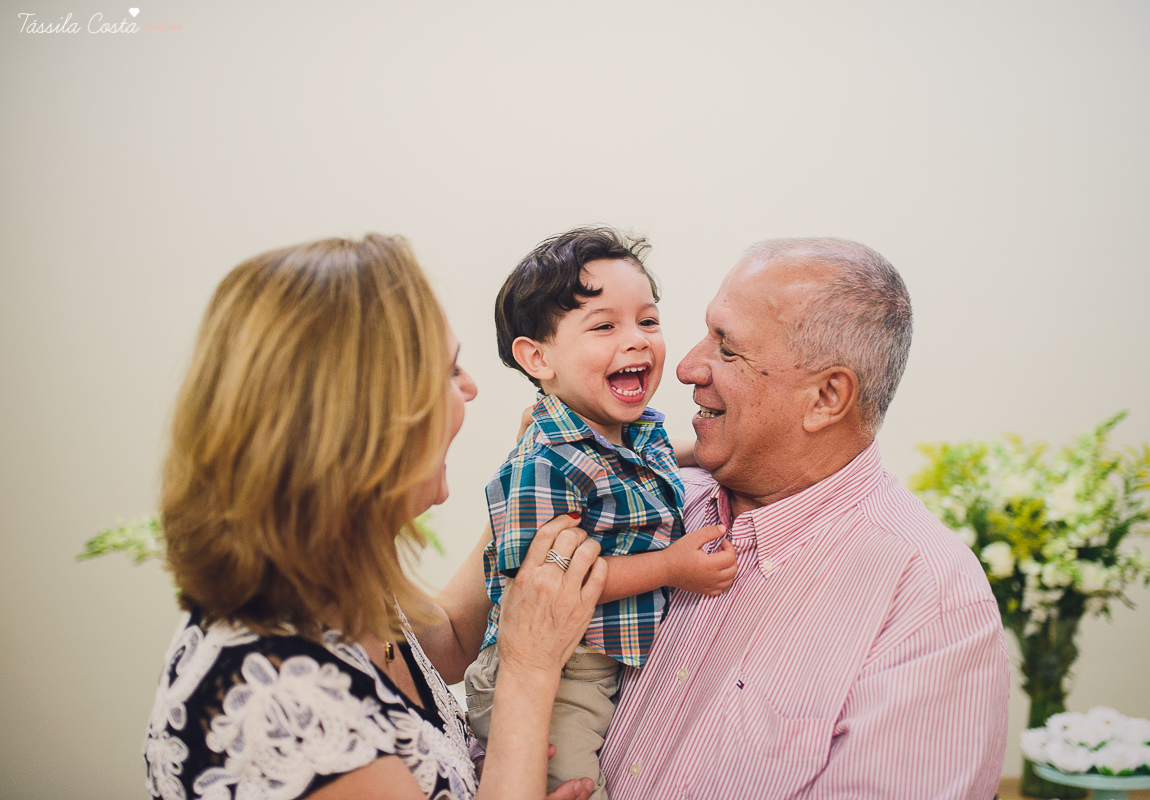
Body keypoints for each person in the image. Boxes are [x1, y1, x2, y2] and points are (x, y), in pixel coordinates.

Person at [143, 234, 607, 800]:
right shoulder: (278, 704)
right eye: (449, 371)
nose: (470, 388)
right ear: (368, 422)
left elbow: (452, 638)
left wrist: (534, 486)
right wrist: (528, 670)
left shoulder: (332, 586)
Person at [599, 238, 1010, 799]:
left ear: (826, 397)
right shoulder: (653, 503)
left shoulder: (927, 601)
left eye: (728, 348)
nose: (688, 368)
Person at [464, 228, 736, 799]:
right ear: (538, 357)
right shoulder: (546, 463)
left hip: (600, 666)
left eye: (648, 320)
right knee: (581, 788)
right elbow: (548, 587)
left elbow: (656, 458)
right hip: (555, 674)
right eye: (604, 326)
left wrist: (714, 449)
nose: (636, 340)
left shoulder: (631, 431)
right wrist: (670, 567)